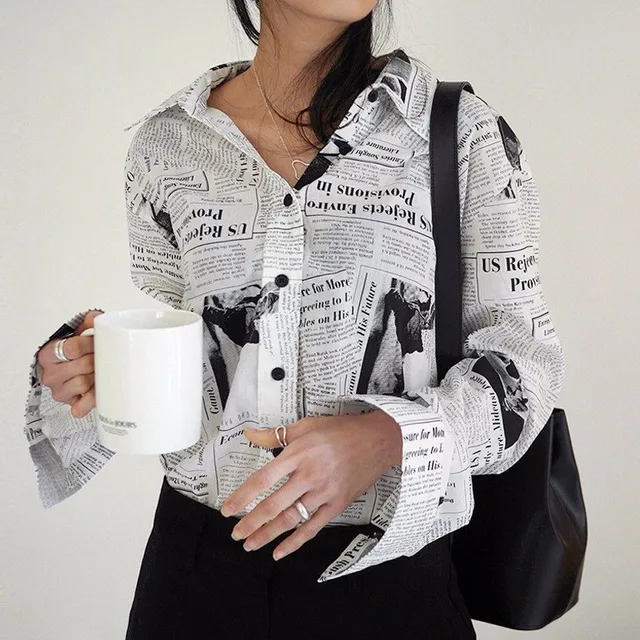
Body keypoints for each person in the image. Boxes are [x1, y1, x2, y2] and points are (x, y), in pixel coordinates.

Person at [25, 1, 566, 638]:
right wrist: (97, 363)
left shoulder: (458, 133)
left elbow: (527, 362)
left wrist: (388, 438)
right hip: (194, 571)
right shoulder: (167, 141)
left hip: (388, 575)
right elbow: (186, 339)